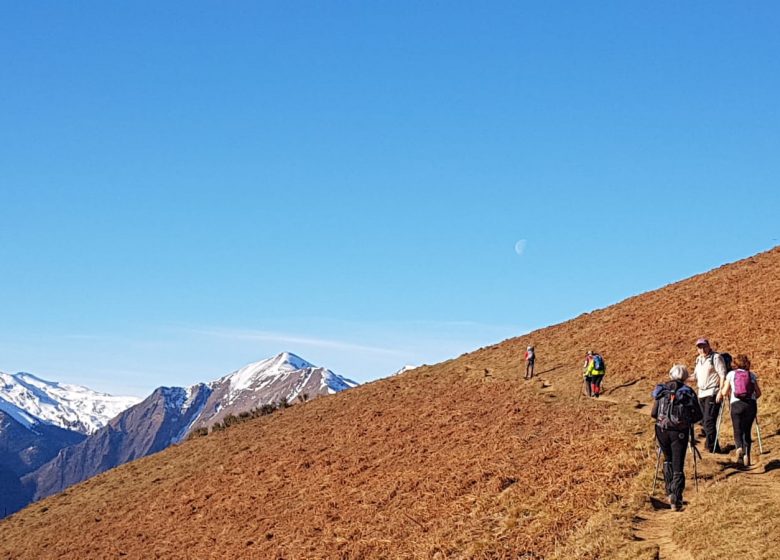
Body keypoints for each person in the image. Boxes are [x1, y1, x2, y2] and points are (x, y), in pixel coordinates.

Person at [651, 365, 703, 511]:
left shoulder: (662, 390)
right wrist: (688, 420)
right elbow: (698, 415)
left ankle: (669, 491)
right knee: (678, 463)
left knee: (667, 459)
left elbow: (654, 413)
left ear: (670, 375)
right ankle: (676, 497)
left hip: (662, 429)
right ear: (685, 377)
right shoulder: (687, 392)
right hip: (680, 432)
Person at [718, 354, 762, 467]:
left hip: (736, 404)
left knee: (737, 429)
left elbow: (724, 392)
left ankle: (739, 448)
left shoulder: (731, 374)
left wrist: (723, 392)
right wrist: (752, 398)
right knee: (747, 431)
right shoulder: (751, 375)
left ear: (735, 364)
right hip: (750, 405)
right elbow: (758, 393)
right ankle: (747, 456)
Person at [692, 338, 728, 452]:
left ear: (708, 346)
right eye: (699, 348)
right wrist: (679, 377)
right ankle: (711, 444)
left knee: (709, 420)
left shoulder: (716, 358)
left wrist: (721, 392)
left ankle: (713, 448)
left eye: (704, 347)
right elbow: (695, 376)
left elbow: (722, 375)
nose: (702, 350)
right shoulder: (698, 359)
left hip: (713, 392)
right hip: (701, 393)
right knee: (704, 421)